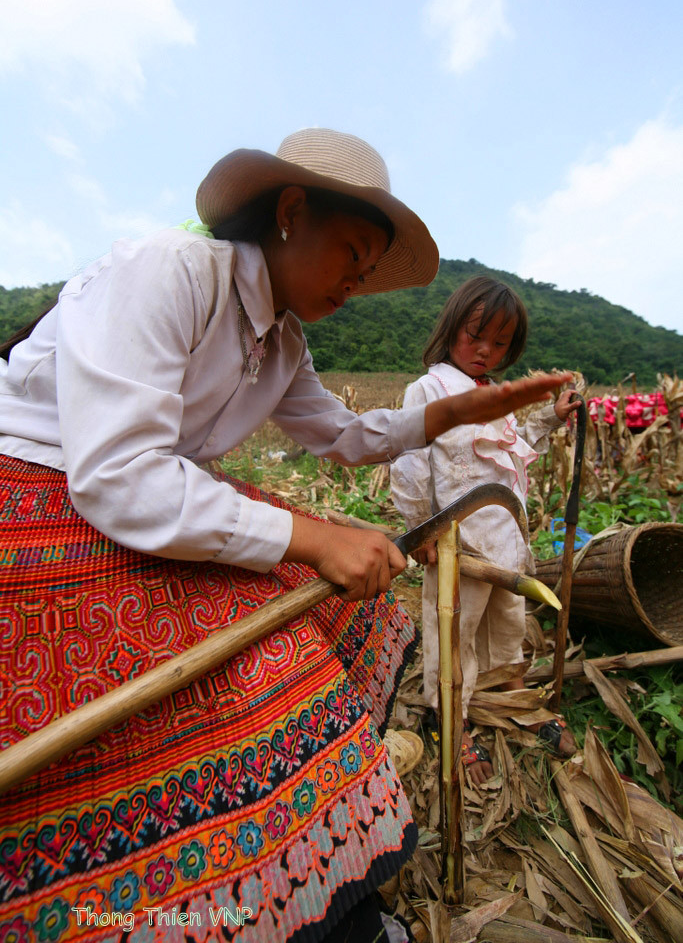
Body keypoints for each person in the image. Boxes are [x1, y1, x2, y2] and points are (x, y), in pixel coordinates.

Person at [0, 130, 568, 941]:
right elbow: (119, 475)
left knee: (303, 638)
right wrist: (311, 538)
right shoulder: (170, 269)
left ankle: (314, 870)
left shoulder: (282, 341)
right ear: (291, 212)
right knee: (242, 675)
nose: (357, 280)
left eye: (368, 270)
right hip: (45, 491)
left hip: (151, 499)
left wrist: (452, 412)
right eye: (353, 252)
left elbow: (342, 436)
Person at [390, 276, 579, 787]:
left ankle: (511, 697)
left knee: (506, 629)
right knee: (453, 634)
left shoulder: (492, 394)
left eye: (499, 344)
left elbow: (510, 447)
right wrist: (419, 531)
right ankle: (448, 716)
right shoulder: (429, 390)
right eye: (476, 336)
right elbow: (409, 464)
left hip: (504, 543)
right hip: (458, 543)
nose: (485, 351)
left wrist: (551, 419)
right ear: (453, 327)